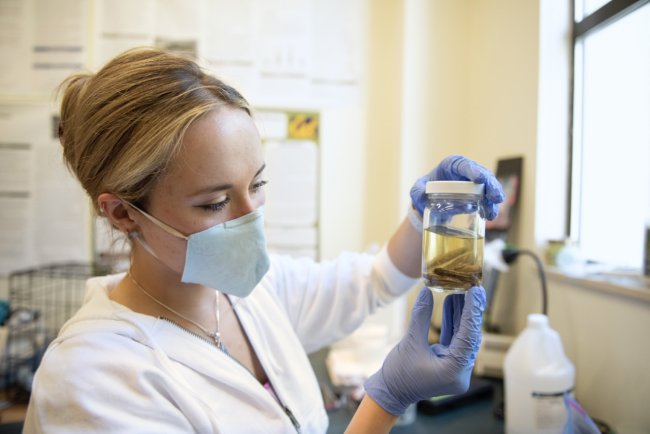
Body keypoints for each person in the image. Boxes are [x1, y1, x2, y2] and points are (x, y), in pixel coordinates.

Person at [23, 47, 504, 434]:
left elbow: (373, 281)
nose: (251, 217)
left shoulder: (247, 292)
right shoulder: (91, 382)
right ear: (124, 212)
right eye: (215, 203)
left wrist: (424, 218)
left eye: (256, 185)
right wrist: (386, 401)